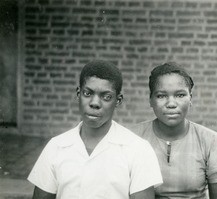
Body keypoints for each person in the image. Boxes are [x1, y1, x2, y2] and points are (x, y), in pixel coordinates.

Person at [28, 60, 163, 199]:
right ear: (78, 94)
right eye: (88, 93)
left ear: (118, 100)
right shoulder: (56, 147)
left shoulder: (138, 150)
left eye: (106, 97)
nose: (94, 103)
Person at [130, 62, 217, 199]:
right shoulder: (132, 138)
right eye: (161, 96)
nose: (171, 104)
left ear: (191, 98)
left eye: (180, 95)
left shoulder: (212, 141)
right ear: (151, 100)